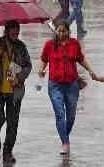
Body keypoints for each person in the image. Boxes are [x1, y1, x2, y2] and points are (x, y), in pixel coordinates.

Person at [39, 20, 98, 154]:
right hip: (55, 85)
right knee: (60, 113)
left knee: (70, 116)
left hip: (72, 84)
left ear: (68, 31)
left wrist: (90, 70)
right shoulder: (49, 45)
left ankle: (64, 134)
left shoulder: (74, 44)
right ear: (55, 31)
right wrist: (41, 70)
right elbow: (43, 59)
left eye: (63, 31)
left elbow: (81, 58)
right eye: (58, 31)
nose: (61, 33)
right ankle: (65, 142)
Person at [0, 21, 34, 162]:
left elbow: (28, 66)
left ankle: (8, 151)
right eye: (13, 33)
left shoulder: (20, 46)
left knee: (13, 123)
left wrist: (19, 78)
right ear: (6, 31)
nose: (15, 35)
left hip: (14, 91)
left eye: (17, 33)